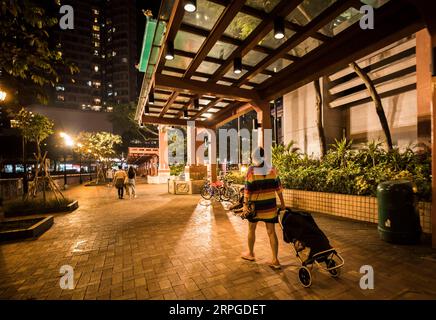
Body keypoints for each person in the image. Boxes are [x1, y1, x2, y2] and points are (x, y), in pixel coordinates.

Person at [241, 147, 286, 269]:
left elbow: (247, 190)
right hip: (270, 206)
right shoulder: (272, 169)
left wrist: (245, 205)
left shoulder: (251, 170)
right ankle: (275, 260)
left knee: (251, 229)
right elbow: (279, 188)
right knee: (271, 232)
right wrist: (282, 203)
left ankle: (250, 253)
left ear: (254, 157)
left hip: (255, 207)